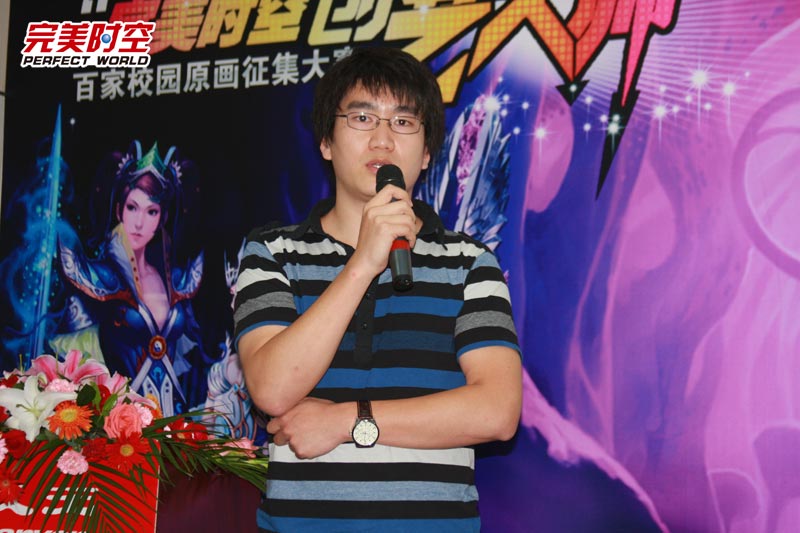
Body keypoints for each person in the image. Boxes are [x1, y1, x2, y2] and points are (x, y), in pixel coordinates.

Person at [234, 46, 522, 532]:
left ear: (427, 153)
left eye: (403, 122)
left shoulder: (470, 263)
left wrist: (348, 421)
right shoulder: (273, 253)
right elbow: (273, 389)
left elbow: (497, 411)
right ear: (326, 141)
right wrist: (363, 264)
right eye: (362, 117)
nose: (383, 140)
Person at [57, 141, 211, 416]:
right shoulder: (101, 276)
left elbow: (192, 357)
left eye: (151, 211)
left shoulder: (176, 279)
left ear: (162, 217)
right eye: (132, 207)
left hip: (173, 416)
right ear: (119, 210)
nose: (139, 223)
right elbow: (74, 357)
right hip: (118, 421)